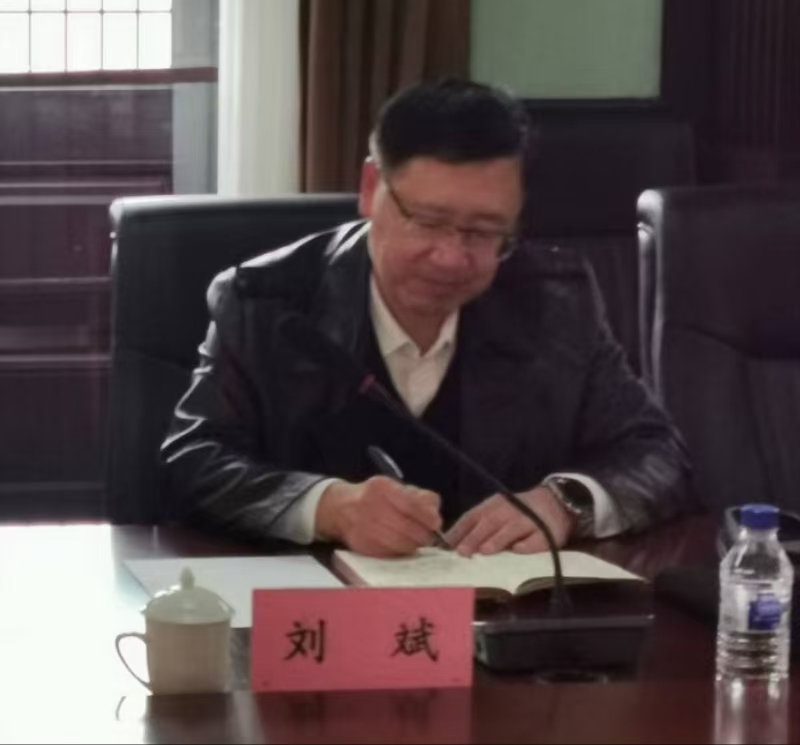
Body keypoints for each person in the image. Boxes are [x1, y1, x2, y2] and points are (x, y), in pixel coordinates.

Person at [162, 79, 692, 559]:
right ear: (371, 189)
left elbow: (658, 454)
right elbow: (193, 461)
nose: (451, 258)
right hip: (319, 615)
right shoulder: (269, 303)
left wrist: (563, 503)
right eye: (428, 221)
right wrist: (326, 506)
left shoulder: (553, 303)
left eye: (484, 231)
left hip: (500, 617)